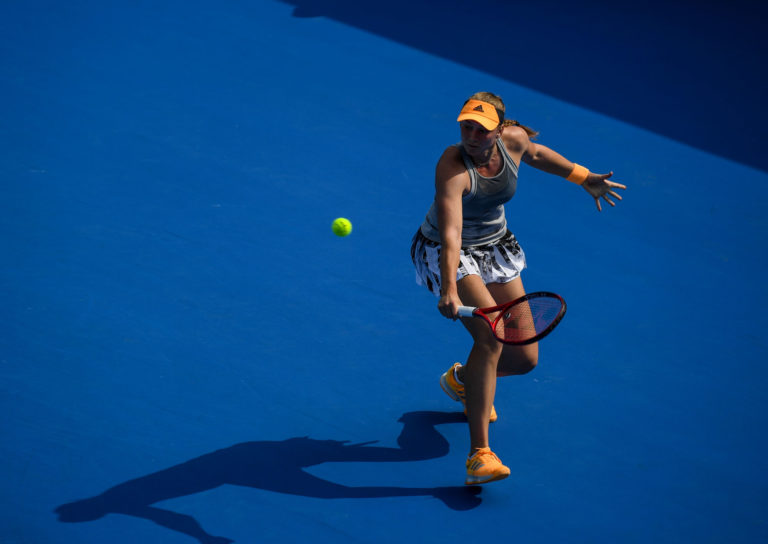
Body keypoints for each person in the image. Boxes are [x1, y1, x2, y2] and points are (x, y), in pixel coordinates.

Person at [410, 92, 626, 485]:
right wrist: (449, 289)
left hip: (496, 246)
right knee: (490, 338)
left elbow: (538, 154)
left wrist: (583, 177)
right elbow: (452, 232)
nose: (471, 136)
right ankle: (479, 456)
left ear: (499, 131)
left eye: (481, 129)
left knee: (525, 359)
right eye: (466, 127)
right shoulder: (452, 165)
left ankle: (463, 380)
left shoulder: (514, 141)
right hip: (450, 251)